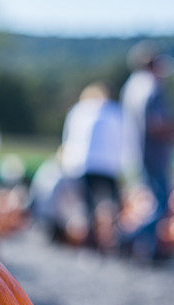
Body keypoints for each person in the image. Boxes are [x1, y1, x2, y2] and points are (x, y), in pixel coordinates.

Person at [120, 41, 174, 261]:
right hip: (154, 152)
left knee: (152, 201)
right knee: (161, 204)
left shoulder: (131, 86)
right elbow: (155, 123)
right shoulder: (151, 87)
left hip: (137, 151)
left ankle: (148, 248)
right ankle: (128, 236)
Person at [60, 82, 127, 250]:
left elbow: (69, 136)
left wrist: (67, 159)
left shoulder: (78, 111)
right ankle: (113, 237)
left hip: (84, 162)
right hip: (109, 163)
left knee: (88, 204)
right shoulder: (114, 111)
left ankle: (92, 238)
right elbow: (123, 137)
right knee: (113, 202)